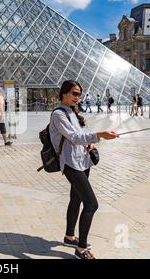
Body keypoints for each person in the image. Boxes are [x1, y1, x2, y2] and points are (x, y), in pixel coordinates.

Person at [50, 80, 118, 259]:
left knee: (76, 198)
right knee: (91, 204)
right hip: (71, 164)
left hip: (83, 160)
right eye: (74, 93)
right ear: (64, 93)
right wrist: (100, 134)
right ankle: (81, 248)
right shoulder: (58, 114)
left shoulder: (72, 112)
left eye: (79, 94)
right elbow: (74, 136)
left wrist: (89, 144)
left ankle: (69, 236)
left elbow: (80, 137)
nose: (78, 97)